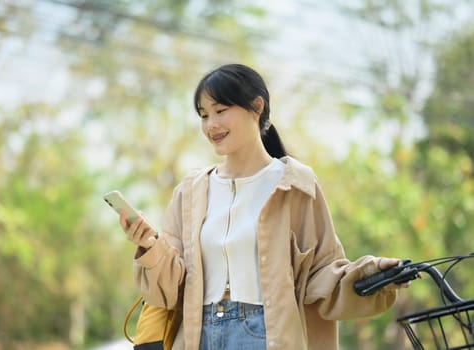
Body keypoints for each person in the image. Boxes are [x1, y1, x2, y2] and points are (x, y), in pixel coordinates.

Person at [120, 63, 406, 350]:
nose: (211, 125)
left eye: (220, 111)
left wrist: (373, 272)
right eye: (204, 115)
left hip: (264, 334)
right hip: (199, 336)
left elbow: (322, 273)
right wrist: (150, 247)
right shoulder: (190, 191)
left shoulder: (296, 184)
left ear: (257, 107)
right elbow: (171, 290)